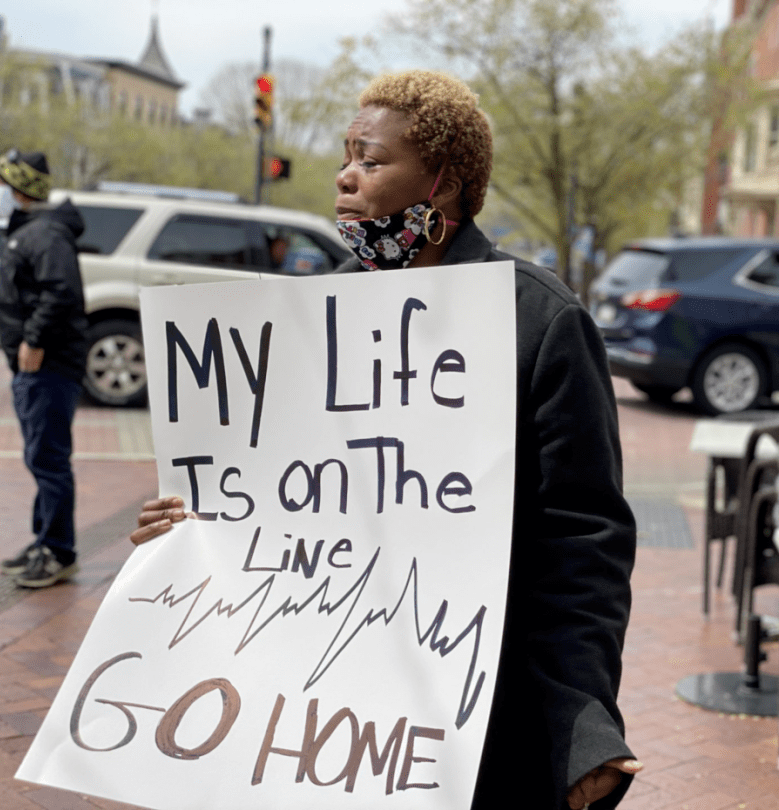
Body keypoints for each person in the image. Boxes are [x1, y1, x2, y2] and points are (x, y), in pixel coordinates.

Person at [131, 70, 641, 809]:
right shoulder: (309, 315)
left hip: (478, 708)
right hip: (329, 710)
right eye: (347, 157)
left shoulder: (540, 320)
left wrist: (582, 720)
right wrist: (187, 532)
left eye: (370, 161)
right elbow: (273, 501)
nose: (344, 177)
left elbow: (582, 541)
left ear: (443, 182)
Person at [0, 149, 88, 588]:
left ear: (19, 189)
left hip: (48, 364)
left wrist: (33, 339)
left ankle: (58, 550)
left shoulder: (46, 234)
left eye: (0, 183)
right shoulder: (29, 231)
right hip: (32, 364)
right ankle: (43, 540)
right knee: (39, 455)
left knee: (49, 458)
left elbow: (60, 292)